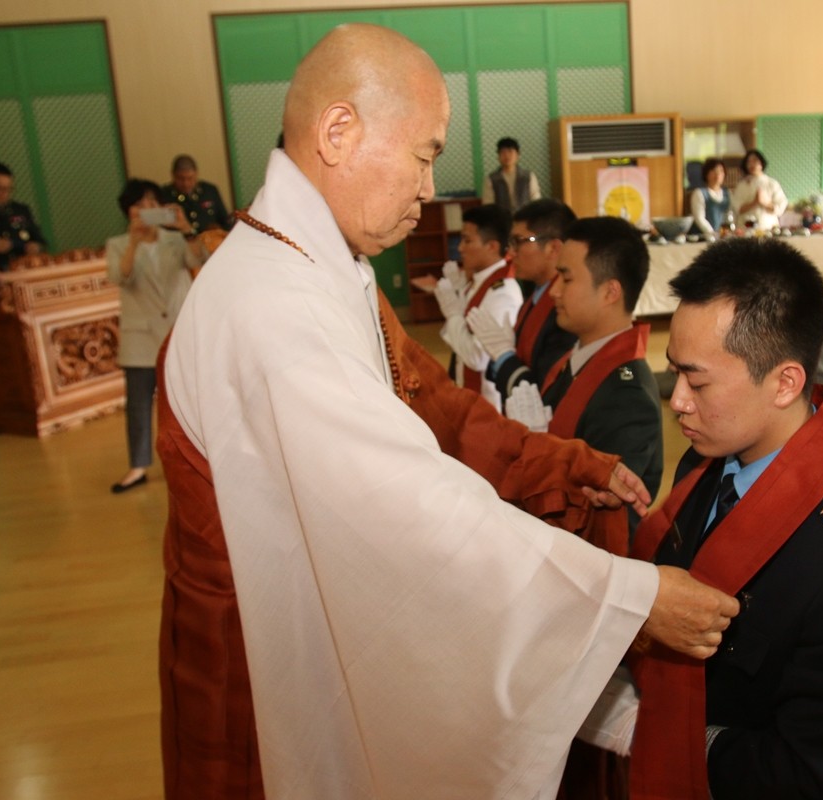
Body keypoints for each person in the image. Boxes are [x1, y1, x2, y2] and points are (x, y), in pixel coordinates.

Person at [158, 23, 739, 799]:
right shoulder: (271, 305)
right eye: (424, 155)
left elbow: (438, 409)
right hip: (259, 667)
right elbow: (414, 511)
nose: (429, 188)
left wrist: (556, 466)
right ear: (339, 131)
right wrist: (625, 598)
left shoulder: (327, 268)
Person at [628, 237, 823, 798]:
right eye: (675, 375)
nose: (678, 402)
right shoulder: (709, 456)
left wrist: (665, 733)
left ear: (785, 383)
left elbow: (809, 770)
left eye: (698, 381)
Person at [509, 216, 663, 544]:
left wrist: (539, 452)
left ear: (610, 292)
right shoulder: (579, 358)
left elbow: (595, 516)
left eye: (566, 278)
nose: (555, 292)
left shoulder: (627, 397)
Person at [105, 179, 195, 493]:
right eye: (139, 204)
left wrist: (185, 227)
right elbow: (120, 276)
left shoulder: (176, 240)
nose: (147, 209)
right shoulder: (117, 244)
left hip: (177, 333)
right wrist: (133, 243)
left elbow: (201, 262)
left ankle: (191, 458)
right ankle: (137, 466)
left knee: (186, 400)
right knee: (139, 403)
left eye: (152, 203)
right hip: (140, 336)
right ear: (127, 210)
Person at [468, 198, 579, 406]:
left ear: (554, 248)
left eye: (519, 241)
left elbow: (545, 392)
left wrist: (503, 357)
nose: (511, 252)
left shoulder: (565, 307)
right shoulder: (535, 295)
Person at [432, 203, 522, 410]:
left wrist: (453, 315)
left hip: (490, 405)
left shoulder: (502, 293)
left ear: (491, 246)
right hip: (471, 395)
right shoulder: (481, 281)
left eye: (467, 240)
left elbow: (477, 358)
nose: (460, 248)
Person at [163, 154, 232, 237]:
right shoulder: (164, 194)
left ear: (196, 174)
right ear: (173, 175)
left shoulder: (209, 190)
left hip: (209, 241)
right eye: (180, 178)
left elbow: (225, 221)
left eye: (190, 178)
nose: (186, 183)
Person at [730, 148, 788, 230]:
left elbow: (781, 206)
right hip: (745, 227)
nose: (752, 164)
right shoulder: (741, 185)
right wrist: (754, 202)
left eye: (755, 161)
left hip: (768, 226)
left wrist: (765, 203)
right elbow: (737, 208)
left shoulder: (771, 183)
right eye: (749, 162)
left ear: (761, 163)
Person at [481, 136, 542, 212]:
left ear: (518, 155)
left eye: (510, 151)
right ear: (498, 156)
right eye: (503, 152)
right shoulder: (491, 179)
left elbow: (536, 201)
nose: (507, 155)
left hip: (525, 219)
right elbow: (488, 205)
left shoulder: (528, 176)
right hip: (502, 220)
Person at [689, 157, 731, 238]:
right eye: (714, 170)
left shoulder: (727, 193)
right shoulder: (699, 193)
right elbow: (699, 218)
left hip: (723, 237)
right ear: (706, 173)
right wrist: (712, 234)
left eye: (721, 171)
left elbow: (732, 214)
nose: (717, 174)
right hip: (703, 237)